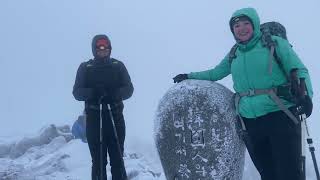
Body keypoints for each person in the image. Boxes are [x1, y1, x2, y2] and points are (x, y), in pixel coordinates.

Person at [173, 7, 313, 180]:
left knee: (288, 173)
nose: (242, 28)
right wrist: (189, 76)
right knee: (267, 174)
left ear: (254, 24)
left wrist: (306, 96)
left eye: (246, 23)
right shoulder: (235, 53)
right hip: (250, 123)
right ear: (232, 30)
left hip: (280, 115)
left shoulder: (274, 43)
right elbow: (216, 73)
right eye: (237, 25)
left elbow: (299, 70)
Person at [73, 34, 133, 180]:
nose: (103, 50)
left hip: (115, 119)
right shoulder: (85, 68)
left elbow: (129, 89)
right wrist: (93, 92)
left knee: (118, 159)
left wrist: (115, 93)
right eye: (99, 48)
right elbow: (77, 92)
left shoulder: (117, 66)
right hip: (94, 120)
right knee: (98, 162)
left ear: (110, 49)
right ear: (94, 50)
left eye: (105, 47)